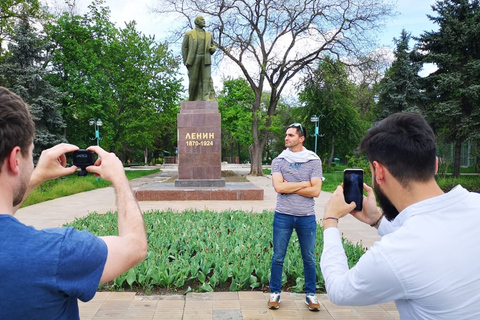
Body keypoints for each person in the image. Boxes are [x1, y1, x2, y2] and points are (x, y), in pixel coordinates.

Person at [0, 86, 148, 319]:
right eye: (31, 153)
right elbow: (135, 246)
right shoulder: (57, 252)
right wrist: (119, 178)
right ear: (15, 159)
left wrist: (37, 175)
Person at [320, 112, 480, 319]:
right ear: (435, 164)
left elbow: (339, 290)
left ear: (379, 172)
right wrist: (376, 219)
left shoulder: (394, 254)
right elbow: (430, 235)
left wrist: (330, 221)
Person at [268, 123, 323, 311]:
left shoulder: (313, 161)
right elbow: (279, 188)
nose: (286, 138)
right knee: (278, 257)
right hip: (282, 216)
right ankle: (274, 293)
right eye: (286, 135)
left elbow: (316, 191)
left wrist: (290, 185)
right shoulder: (279, 161)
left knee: (308, 257)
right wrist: (304, 183)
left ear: (301, 139)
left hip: (306, 217)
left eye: (290, 135)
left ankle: (311, 295)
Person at [182, 15, 216, 101]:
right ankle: (192, 98)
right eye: (202, 20)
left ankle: (206, 97)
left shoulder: (209, 34)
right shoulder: (189, 34)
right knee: (193, 80)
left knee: (206, 79)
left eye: (204, 20)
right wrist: (186, 61)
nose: (204, 21)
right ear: (196, 22)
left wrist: (213, 49)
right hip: (194, 59)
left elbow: (213, 45)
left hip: (206, 58)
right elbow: (184, 48)